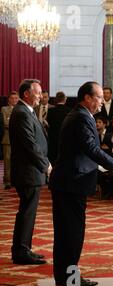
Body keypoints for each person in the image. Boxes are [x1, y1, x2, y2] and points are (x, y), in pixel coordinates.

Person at [49, 81, 113, 286]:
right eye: (99, 98)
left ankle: (64, 276)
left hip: (68, 182)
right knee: (72, 233)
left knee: (66, 232)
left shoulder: (80, 115)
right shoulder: (80, 117)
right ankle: (69, 278)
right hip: (72, 183)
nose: (102, 103)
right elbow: (90, 148)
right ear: (87, 98)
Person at [9, 79, 50, 265]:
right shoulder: (21, 112)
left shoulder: (27, 111)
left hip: (31, 171)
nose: (40, 96)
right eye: (38, 92)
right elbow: (30, 145)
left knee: (28, 212)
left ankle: (24, 248)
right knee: (27, 212)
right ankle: (21, 251)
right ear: (26, 93)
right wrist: (46, 165)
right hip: (28, 172)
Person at [0, 91, 19, 189]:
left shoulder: (21, 109)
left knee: (18, 161)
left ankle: (16, 180)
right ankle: (7, 181)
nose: (14, 100)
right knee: (7, 161)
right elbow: (5, 123)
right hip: (7, 139)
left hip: (19, 140)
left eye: (16, 98)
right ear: (9, 100)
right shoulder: (4, 109)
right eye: (12, 98)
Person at [47, 91, 71, 165]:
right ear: (65, 99)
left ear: (56, 100)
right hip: (65, 140)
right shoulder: (69, 111)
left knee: (53, 162)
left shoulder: (50, 111)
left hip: (52, 140)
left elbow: (49, 124)